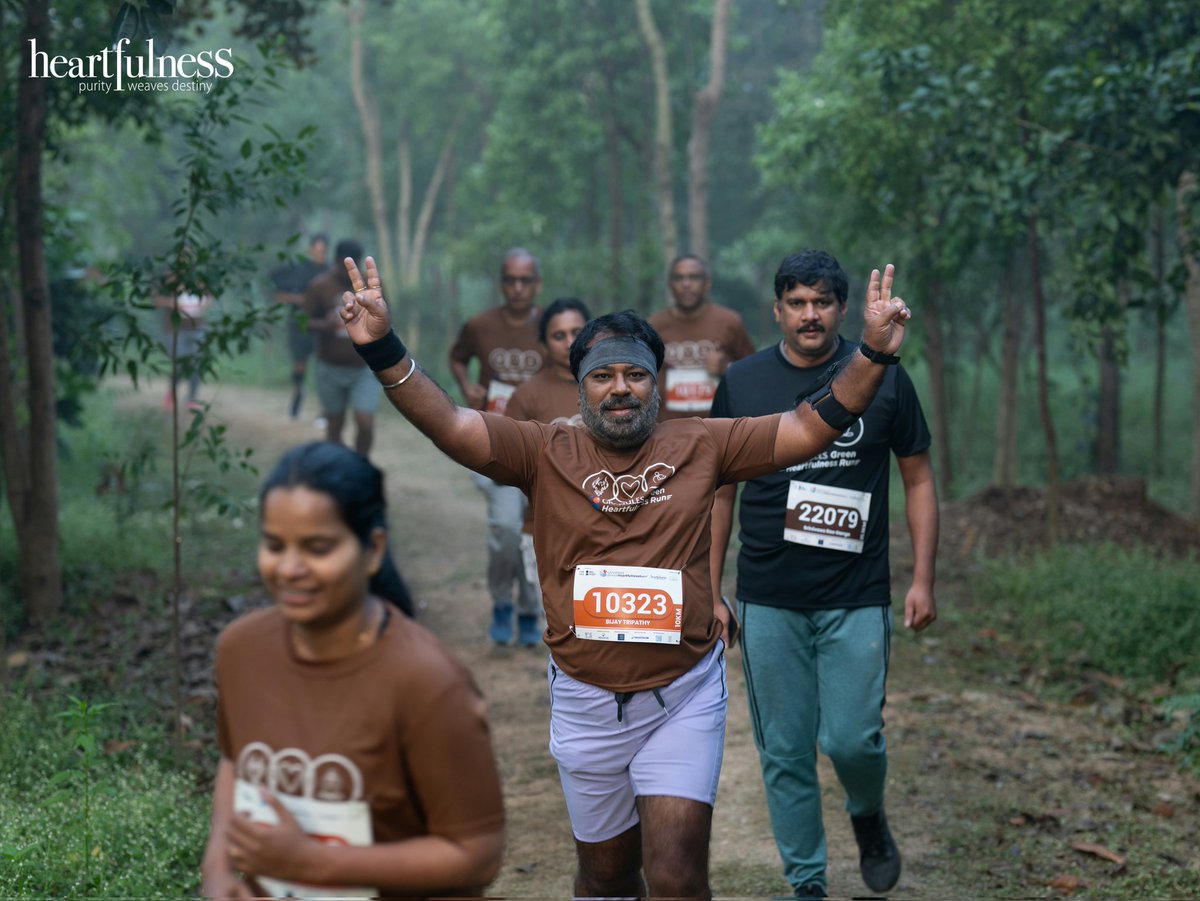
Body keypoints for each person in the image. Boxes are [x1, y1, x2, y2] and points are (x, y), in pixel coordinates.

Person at [336, 251, 911, 898]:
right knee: (607, 874)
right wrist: (381, 345)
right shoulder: (542, 448)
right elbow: (449, 422)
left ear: (655, 383)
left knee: (675, 872)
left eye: (635, 375)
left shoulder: (702, 443)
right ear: (579, 384)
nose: (619, 387)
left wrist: (873, 355)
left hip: (683, 694)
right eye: (602, 375)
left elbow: (810, 426)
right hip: (584, 699)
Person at [709, 249, 938, 899]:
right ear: (777, 310)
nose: (810, 314)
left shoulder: (886, 376)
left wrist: (922, 578)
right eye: (797, 302)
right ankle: (806, 881)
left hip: (856, 593)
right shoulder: (744, 382)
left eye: (822, 302)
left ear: (841, 309)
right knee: (784, 750)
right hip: (769, 595)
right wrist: (710, 587)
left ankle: (867, 813)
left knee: (851, 738)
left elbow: (917, 477)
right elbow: (720, 491)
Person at [200, 442, 504, 899]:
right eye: (274, 545)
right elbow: (235, 761)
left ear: (373, 549)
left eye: (318, 548)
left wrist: (313, 863)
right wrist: (218, 867)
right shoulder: (241, 651)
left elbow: (477, 854)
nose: (289, 568)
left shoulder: (426, 682)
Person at [448, 248, 544, 645]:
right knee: (506, 530)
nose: (518, 288)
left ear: (538, 284)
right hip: (495, 446)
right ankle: (502, 601)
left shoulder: (554, 327)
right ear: (501, 283)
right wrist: (467, 387)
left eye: (525, 280)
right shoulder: (480, 325)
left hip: (543, 448)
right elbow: (457, 358)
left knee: (534, 536)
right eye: (510, 280)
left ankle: (529, 612)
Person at [504, 297, 592, 646]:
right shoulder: (528, 395)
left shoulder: (615, 382)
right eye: (558, 335)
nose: (570, 342)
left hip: (616, 526)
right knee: (564, 631)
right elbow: (506, 463)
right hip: (547, 530)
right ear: (543, 344)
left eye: (577, 331)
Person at [648, 254, 756, 419]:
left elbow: (754, 373)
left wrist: (727, 368)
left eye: (694, 277)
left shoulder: (730, 321)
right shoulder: (653, 325)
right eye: (679, 278)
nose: (686, 284)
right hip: (666, 428)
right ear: (670, 285)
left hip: (719, 427)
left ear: (707, 284)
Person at [304, 239, 382, 457]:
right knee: (335, 424)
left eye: (353, 265)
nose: (346, 270)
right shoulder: (319, 286)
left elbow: (386, 318)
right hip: (330, 367)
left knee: (365, 421)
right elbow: (303, 322)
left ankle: (361, 464)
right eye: (342, 265)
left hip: (364, 367)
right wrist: (324, 324)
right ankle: (337, 468)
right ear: (335, 261)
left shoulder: (371, 287)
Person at [269, 233, 328, 419]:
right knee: (299, 365)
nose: (320, 254)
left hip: (322, 327)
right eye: (317, 250)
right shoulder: (296, 269)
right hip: (300, 325)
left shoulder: (328, 272)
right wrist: (298, 300)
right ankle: (298, 393)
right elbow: (278, 293)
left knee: (323, 369)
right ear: (311, 250)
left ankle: (324, 408)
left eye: (323, 251)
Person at [155, 279, 215, 412]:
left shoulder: (200, 278)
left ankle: (192, 399)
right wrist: (171, 302)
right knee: (179, 362)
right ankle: (172, 393)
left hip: (196, 326)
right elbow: (157, 300)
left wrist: (204, 302)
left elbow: (210, 297)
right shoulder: (169, 279)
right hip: (174, 328)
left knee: (196, 362)